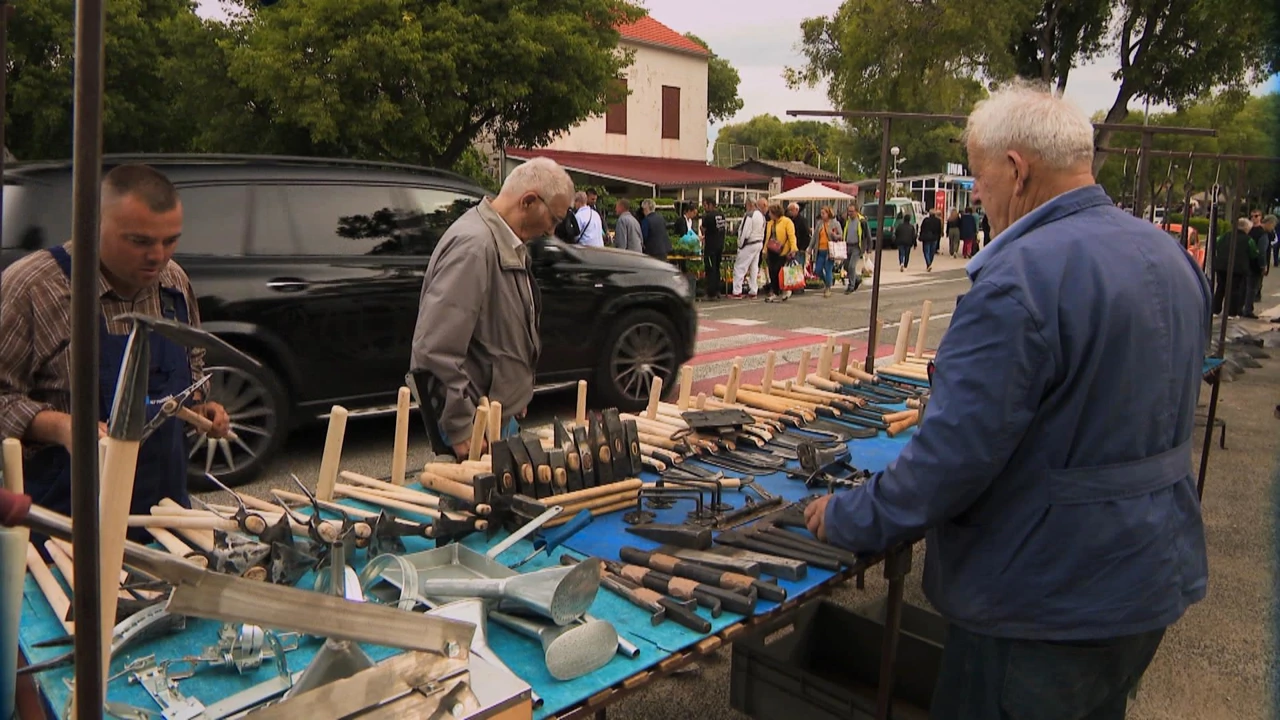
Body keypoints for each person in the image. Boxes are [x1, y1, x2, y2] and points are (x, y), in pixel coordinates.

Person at [805, 81, 1210, 720]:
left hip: (1044, 597)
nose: (977, 195)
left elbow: (949, 461)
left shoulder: (1018, 281)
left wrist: (849, 516)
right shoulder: (1169, 256)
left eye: (979, 178)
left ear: (1017, 170)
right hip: (1149, 577)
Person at [0, 164, 231, 525]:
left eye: (170, 240)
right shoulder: (33, 289)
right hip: (67, 524)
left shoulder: (172, 283)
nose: (158, 256)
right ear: (93, 224)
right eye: (140, 241)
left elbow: (190, 372)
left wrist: (198, 410)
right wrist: (60, 426)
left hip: (163, 514)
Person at [409, 157, 574, 458]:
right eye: (553, 219)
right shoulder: (474, 247)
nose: (552, 231)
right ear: (528, 201)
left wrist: (514, 392)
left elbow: (503, 329)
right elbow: (434, 351)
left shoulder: (506, 242)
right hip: (474, 425)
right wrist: (460, 428)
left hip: (495, 416)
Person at [1212, 218, 1255, 318]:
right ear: (1246, 228)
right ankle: (1231, 312)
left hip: (1221, 266)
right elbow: (1253, 253)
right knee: (1234, 290)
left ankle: (1215, 310)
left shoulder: (1225, 236)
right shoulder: (1248, 239)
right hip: (1238, 268)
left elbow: (1217, 244)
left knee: (1220, 287)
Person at [763, 203, 797, 303]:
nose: (769, 214)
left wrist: (793, 249)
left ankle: (785, 290)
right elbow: (767, 238)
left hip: (783, 251)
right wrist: (764, 250)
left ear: (775, 213)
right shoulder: (770, 223)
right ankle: (775, 291)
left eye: (770, 213)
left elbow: (791, 236)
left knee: (780, 271)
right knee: (772, 271)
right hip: (771, 250)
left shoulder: (787, 222)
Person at [733, 199, 765, 299]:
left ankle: (737, 291)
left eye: (746, 205)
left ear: (750, 204)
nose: (745, 207)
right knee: (754, 268)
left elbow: (745, 231)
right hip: (758, 243)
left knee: (739, 267)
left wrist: (740, 244)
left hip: (749, 243)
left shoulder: (749, 215)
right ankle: (753, 290)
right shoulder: (761, 215)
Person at [811, 206, 843, 297]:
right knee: (817, 270)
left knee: (828, 268)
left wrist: (834, 235)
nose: (822, 215)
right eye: (821, 213)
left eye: (823, 213)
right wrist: (810, 248)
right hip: (820, 250)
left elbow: (841, 236)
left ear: (828, 214)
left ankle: (828, 288)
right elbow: (814, 237)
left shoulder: (835, 223)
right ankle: (827, 282)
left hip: (830, 250)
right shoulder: (819, 224)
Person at [701, 198, 727, 300]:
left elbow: (703, 229)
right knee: (717, 268)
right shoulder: (721, 215)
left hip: (711, 246)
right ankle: (717, 290)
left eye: (705, 205)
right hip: (720, 245)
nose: (704, 208)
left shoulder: (708, 216)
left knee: (710, 269)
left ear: (710, 205)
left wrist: (703, 231)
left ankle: (711, 293)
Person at [844, 206, 869, 294]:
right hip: (848, 246)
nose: (850, 213)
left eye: (852, 211)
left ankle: (851, 286)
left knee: (852, 266)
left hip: (857, 247)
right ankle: (857, 279)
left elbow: (867, 234)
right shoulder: (848, 221)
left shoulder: (862, 221)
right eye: (849, 211)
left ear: (856, 211)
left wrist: (868, 248)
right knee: (846, 266)